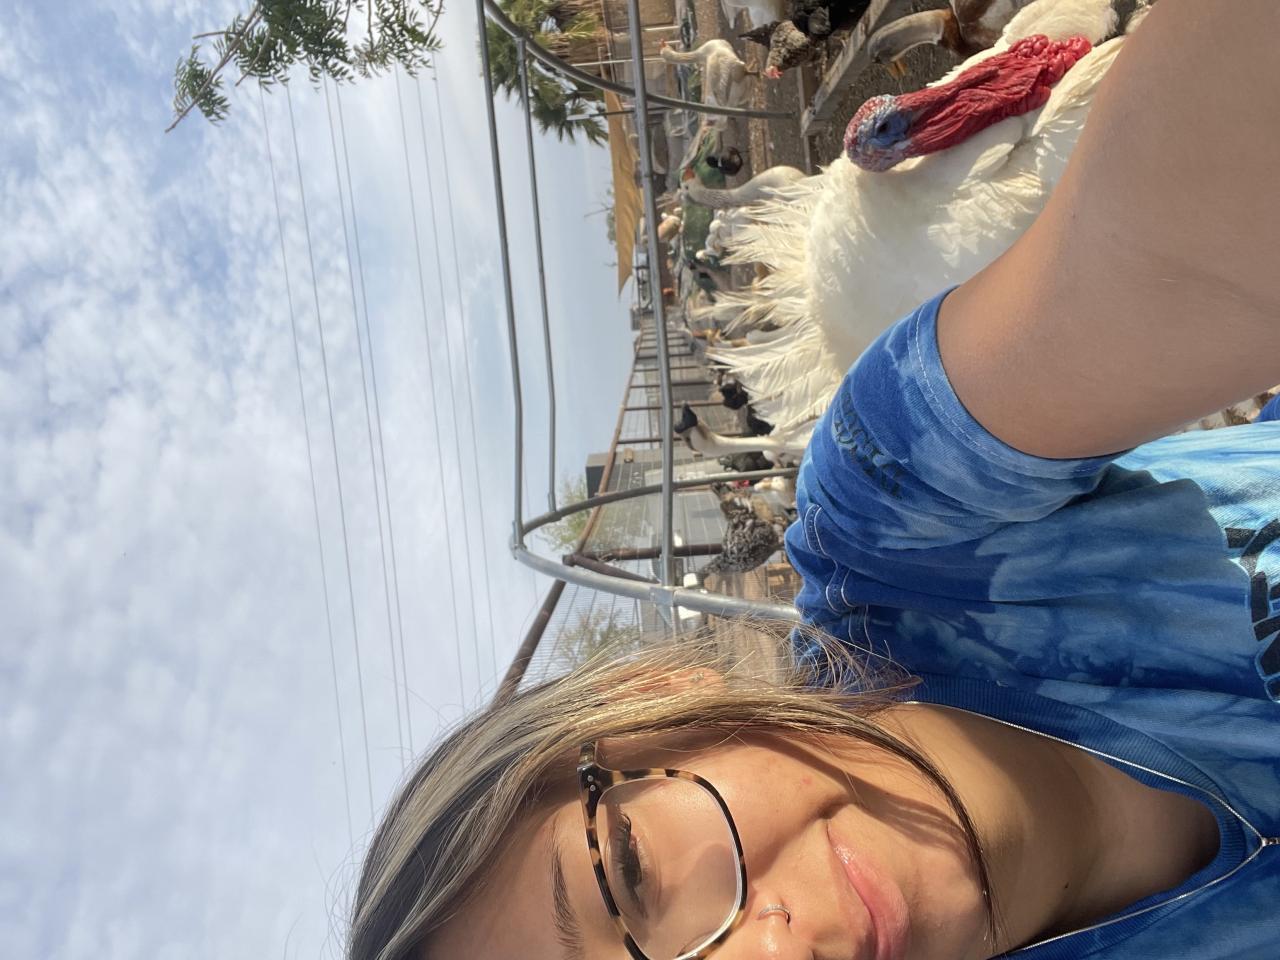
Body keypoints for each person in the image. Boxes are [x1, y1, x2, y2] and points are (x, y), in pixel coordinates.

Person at [346, 1, 1280, 958]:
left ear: (656, 706)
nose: (772, 953)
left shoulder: (905, 520)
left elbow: (1184, 223)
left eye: (634, 874)